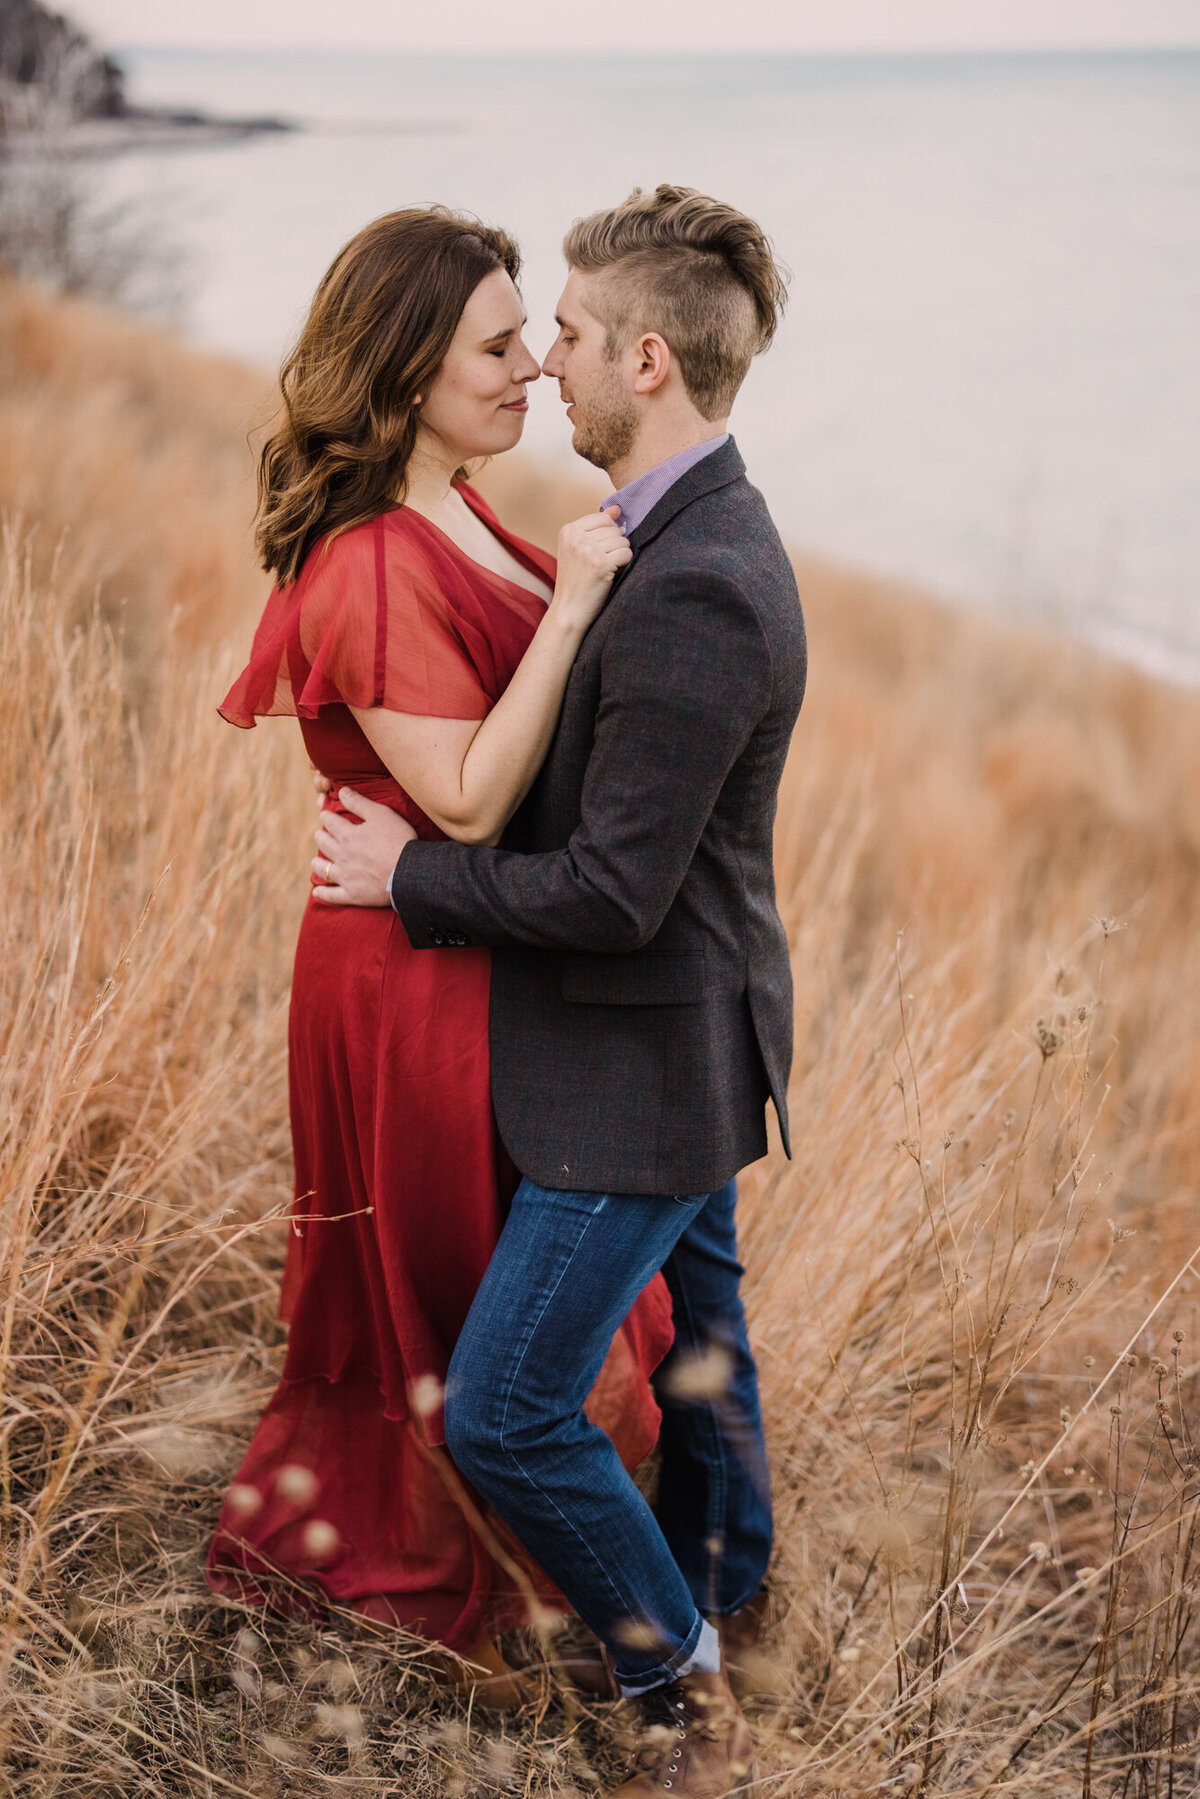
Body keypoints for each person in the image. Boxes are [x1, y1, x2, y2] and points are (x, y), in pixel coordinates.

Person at [313, 185, 806, 1798]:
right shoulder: (667, 534)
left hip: (637, 1075)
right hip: (689, 1045)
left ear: (646, 362)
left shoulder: (696, 583)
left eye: (571, 338)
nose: (548, 368)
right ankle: (732, 1582)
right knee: (701, 1347)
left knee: (510, 1411)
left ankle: (678, 1683)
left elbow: (609, 890)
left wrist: (415, 880)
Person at [207, 206, 676, 1707]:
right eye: (494, 344)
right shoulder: (369, 559)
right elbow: (465, 791)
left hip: (460, 942)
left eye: (533, 333)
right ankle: (460, 1581)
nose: (533, 367)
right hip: (406, 982)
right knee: (447, 1275)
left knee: (488, 1275)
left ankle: (546, 1567)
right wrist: (589, 597)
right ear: (409, 368)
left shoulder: (464, 505)